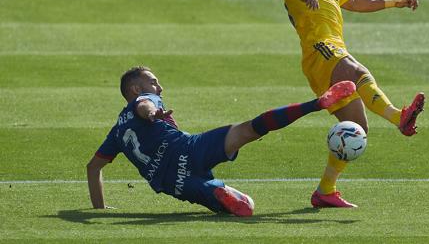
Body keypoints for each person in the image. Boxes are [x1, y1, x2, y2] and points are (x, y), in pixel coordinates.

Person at [256, 0, 425, 208]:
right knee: (358, 71)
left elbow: (356, 1)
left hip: (328, 54)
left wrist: (394, 2)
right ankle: (399, 117)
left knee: (357, 128)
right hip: (319, 48)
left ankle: (325, 191)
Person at [86, 66, 356, 217]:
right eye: (154, 82)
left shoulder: (117, 132)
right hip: (187, 149)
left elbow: (93, 167)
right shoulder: (143, 100)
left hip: (173, 183)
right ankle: (317, 103)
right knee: (249, 130)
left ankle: (215, 189)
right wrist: (153, 112)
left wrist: (99, 209)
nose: (159, 88)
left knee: (245, 208)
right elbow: (145, 106)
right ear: (136, 89)